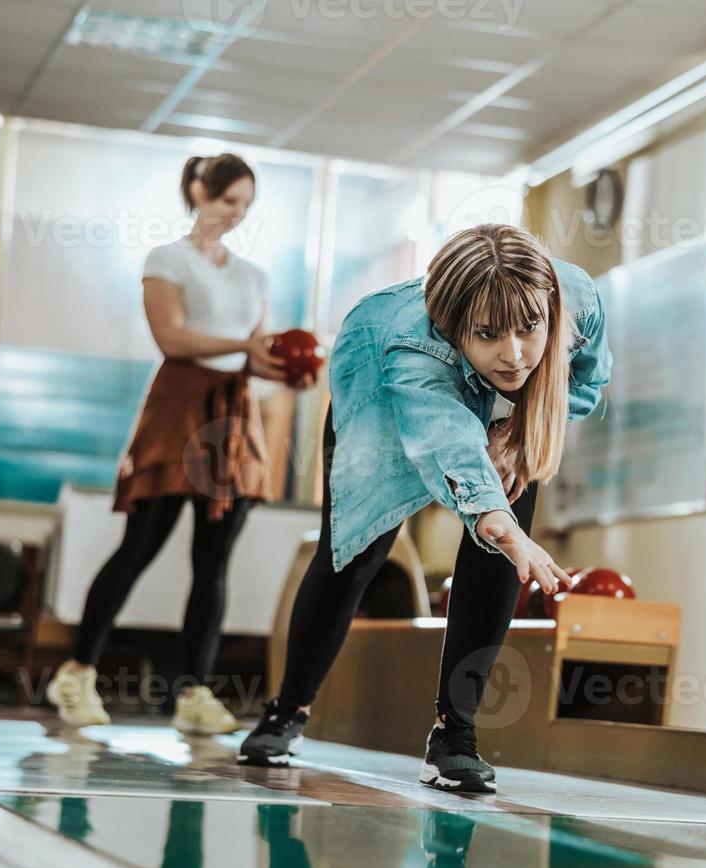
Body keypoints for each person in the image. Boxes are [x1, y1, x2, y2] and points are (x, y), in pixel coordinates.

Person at [237, 223, 611, 793]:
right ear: (454, 327)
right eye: (488, 335)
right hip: (379, 404)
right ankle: (287, 709)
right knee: (356, 557)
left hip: (503, 415)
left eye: (528, 329)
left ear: (548, 309)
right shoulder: (411, 345)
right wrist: (505, 528)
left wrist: (512, 441)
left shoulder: (575, 297)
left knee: (503, 522)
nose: (513, 355)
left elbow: (585, 382)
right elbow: (448, 444)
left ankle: (454, 735)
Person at [46, 153, 289, 734]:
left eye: (247, 205)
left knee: (214, 564)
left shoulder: (255, 275)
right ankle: (76, 672)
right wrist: (245, 348)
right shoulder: (166, 259)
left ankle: (195, 694)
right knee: (139, 548)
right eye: (230, 200)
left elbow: (257, 354)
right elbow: (171, 335)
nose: (238, 213)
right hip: (179, 407)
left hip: (233, 416)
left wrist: (292, 370)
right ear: (199, 192)